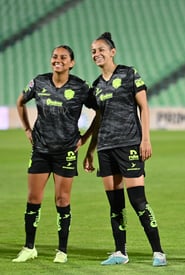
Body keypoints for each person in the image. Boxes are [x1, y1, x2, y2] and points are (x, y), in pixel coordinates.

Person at [83, 32, 167, 267]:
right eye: (92, 51)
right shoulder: (97, 86)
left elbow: (144, 107)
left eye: (100, 49)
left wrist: (146, 139)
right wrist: (90, 149)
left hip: (129, 144)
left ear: (112, 51)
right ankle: (120, 251)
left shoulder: (129, 73)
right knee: (115, 204)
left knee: (138, 200)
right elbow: (98, 119)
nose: (96, 54)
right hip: (105, 148)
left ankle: (158, 252)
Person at [13, 45, 95, 263]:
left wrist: (85, 139)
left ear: (71, 63)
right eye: (55, 57)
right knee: (33, 198)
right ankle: (29, 247)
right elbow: (20, 102)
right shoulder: (39, 82)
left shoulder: (80, 86)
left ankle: (62, 250)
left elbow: (101, 111)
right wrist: (27, 129)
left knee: (62, 199)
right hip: (40, 149)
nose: (58, 60)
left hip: (66, 151)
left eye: (63, 57)